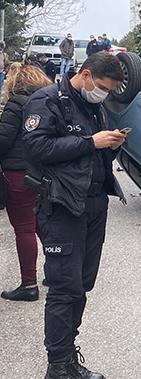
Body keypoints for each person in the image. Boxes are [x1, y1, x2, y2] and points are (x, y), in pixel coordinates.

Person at [24, 52, 128, 379]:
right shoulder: (47, 101)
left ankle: (69, 358)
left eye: (108, 90)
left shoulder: (92, 106)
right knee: (63, 289)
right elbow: (36, 147)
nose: (103, 93)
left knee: (81, 285)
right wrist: (91, 142)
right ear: (84, 75)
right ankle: (56, 372)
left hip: (93, 205)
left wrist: (110, 145)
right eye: (100, 86)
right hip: (62, 207)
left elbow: (89, 154)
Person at [0, 65, 52, 302]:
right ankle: (54, 273)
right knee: (40, 224)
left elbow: (3, 140)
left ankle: (28, 284)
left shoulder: (16, 103)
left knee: (23, 228)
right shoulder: (50, 102)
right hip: (43, 173)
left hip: (18, 173)